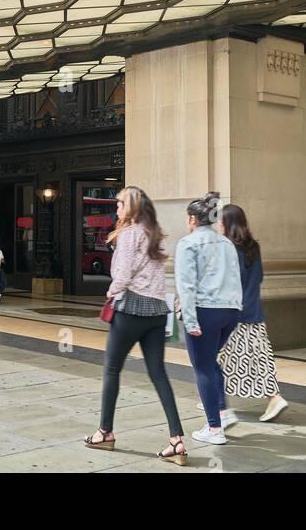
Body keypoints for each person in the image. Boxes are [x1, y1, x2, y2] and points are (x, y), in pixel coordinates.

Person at [84, 186, 187, 464]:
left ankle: (105, 432)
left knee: (112, 369)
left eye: (120, 203)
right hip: (156, 312)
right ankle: (177, 440)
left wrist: (111, 290)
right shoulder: (154, 235)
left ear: (132, 208)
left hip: (130, 309)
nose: (116, 208)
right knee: (158, 373)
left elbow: (123, 273)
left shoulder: (129, 235)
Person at [175, 191, 242, 446]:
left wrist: (190, 321)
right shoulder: (226, 243)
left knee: (202, 367)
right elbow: (236, 279)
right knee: (210, 361)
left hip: (204, 311)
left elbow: (186, 286)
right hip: (230, 311)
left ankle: (214, 429)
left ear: (193, 219)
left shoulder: (187, 243)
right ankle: (222, 413)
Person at [216, 204, 288, 425]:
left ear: (228, 224)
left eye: (220, 221)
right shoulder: (253, 247)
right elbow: (258, 278)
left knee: (216, 358)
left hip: (234, 314)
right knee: (256, 357)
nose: (217, 224)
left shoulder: (227, 248)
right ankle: (215, 399)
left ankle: (220, 403)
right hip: (253, 311)